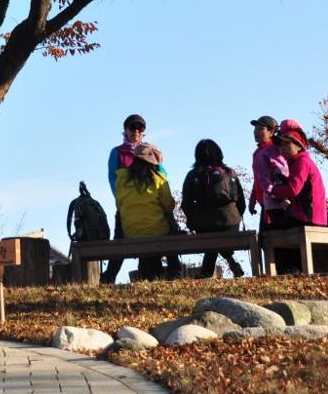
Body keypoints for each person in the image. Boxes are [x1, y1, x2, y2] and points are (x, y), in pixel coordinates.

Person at [102, 114, 166, 283]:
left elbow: (161, 175)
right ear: (125, 130)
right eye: (132, 127)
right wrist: (122, 199)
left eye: (140, 128)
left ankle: (150, 278)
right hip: (126, 206)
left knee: (150, 245)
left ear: (144, 131)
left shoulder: (151, 151)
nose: (136, 131)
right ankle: (109, 278)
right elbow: (112, 178)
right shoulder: (117, 153)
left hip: (149, 205)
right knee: (119, 245)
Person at [114, 141, 183, 280]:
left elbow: (119, 205)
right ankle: (174, 270)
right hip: (158, 231)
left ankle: (149, 275)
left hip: (131, 232)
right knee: (167, 222)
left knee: (140, 226)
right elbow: (169, 206)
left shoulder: (121, 180)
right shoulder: (158, 179)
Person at [181, 138, 246, 278]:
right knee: (219, 238)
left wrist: (192, 220)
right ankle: (229, 263)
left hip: (204, 223)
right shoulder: (230, 173)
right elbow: (241, 202)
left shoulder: (193, 175)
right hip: (230, 221)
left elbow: (186, 203)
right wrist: (237, 217)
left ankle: (206, 273)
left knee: (212, 238)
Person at [267, 119, 328, 228]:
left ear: (299, 146)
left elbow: (293, 190)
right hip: (310, 217)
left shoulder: (302, 162)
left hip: (308, 218)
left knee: (269, 230)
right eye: (280, 145)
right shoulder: (297, 162)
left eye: (287, 143)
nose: (282, 148)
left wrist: (271, 189)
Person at [250, 115, 289, 230]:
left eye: (260, 129)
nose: (256, 132)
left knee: (275, 237)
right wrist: (253, 199)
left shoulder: (275, 149)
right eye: (255, 129)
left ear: (271, 132)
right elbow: (258, 177)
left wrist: (279, 198)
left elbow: (281, 174)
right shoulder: (257, 152)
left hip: (277, 203)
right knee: (265, 237)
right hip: (265, 204)